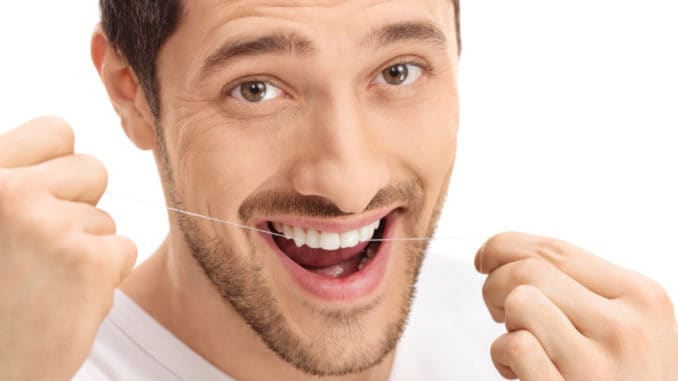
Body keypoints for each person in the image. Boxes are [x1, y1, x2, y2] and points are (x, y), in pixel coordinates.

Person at [0, 1, 676, 380]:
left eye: (400, 71)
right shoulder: (36, 363)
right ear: (132, 93)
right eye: (257, 88)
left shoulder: (552, 351)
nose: (350, 183)